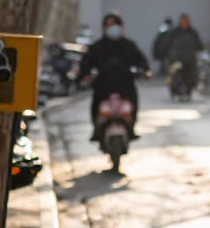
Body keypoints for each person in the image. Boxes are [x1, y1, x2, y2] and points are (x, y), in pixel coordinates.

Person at [81, 12, 150, 141]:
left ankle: (131, 128)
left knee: (133, 101)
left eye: (116, 25)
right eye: (109, 26)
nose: (113, 28)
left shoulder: (128, 46)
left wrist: (145, 71)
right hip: (103, 85)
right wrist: (85, 76)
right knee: (96, 103)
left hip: (125, 84)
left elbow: (141, 60)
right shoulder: (97, 47)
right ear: (104, 28)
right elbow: (86, 63)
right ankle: (96, 129)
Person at [165, 13, 203, 92]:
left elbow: (199, 44)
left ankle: (189, 89)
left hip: (190, 59)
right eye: (183, 21)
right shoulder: (175, 32)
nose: (185, 22)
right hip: (177, 59)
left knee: (190, 76)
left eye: (186, 21)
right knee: (175, 74)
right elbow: (168, 44)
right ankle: (175, 89)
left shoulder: (192, 32)